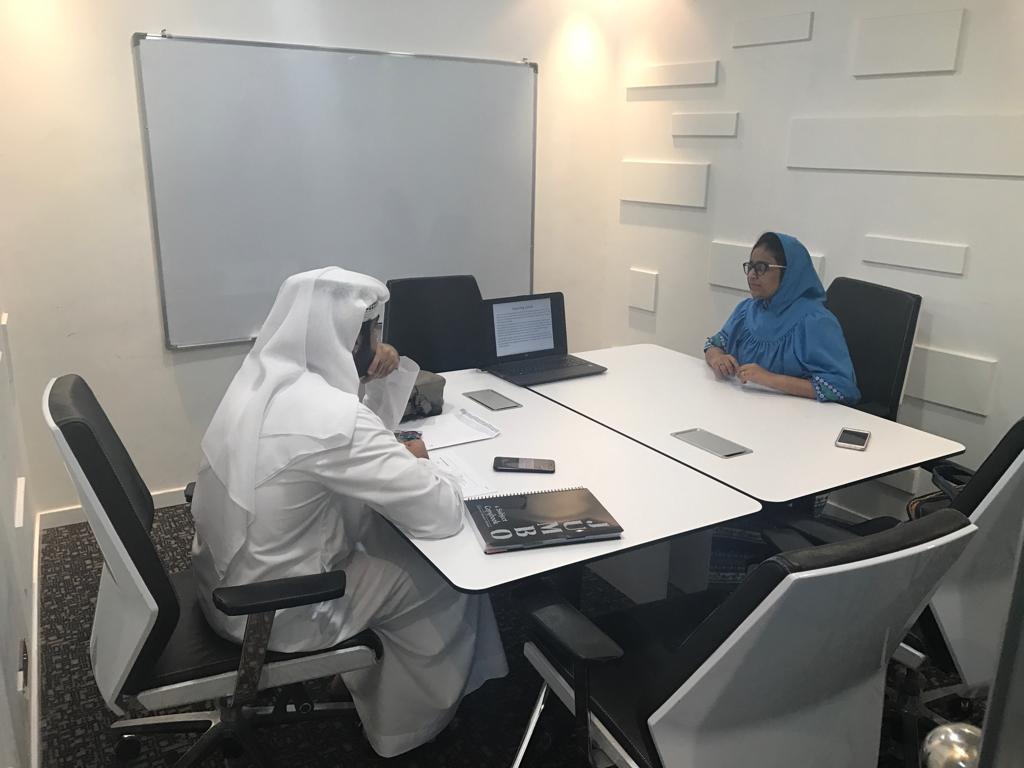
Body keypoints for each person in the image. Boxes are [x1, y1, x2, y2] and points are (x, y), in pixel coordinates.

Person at [190, 267, 508, 757]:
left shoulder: (262, 383)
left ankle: (371, 680)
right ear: (348, 333)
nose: (379, 339)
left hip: (222, 582)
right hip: (275, 607)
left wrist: (379, 380)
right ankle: (403, 731)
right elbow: (440, 513)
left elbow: (356, 445)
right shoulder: (329, 417)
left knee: (382, 532)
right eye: (372, 328)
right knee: (449, 580)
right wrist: (423, 464)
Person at [704, 232, 860, 403]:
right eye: (750, 266)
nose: (751, 275)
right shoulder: (747, 310)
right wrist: (717, 358)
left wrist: (770, 379)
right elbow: (713, 345)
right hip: (745, 409)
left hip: (799, 419)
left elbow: (842, 388)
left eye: (762, 267)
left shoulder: (815, 321)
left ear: (789, 273)